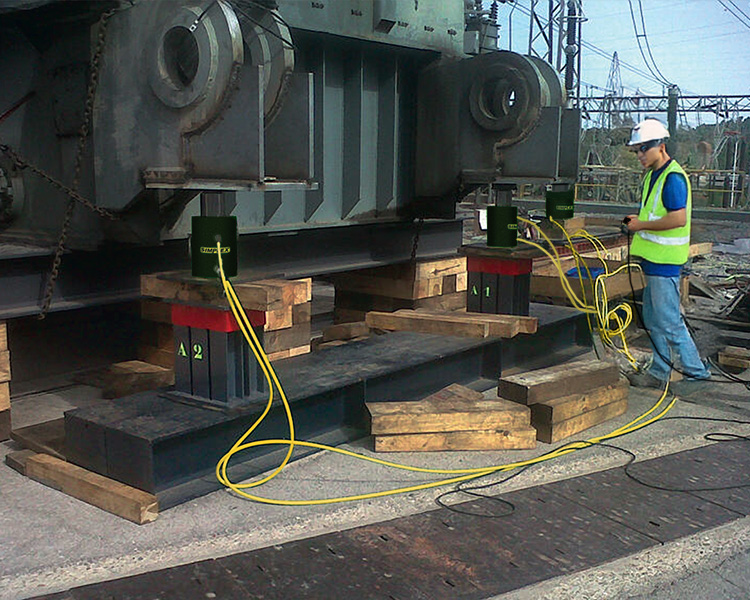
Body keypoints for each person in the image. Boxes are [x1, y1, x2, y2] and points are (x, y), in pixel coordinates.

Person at [623, 118, 711, 388]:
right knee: (654, 319)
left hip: (665, 263)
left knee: (669, 321)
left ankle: (696, 374)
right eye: (636, 150)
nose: (639, 155)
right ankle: (659, 372)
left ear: (660, 146)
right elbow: (654, 212)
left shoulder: (673, 177)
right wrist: (636, 222)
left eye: (643, 149)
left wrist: (641, 225)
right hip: (653, 261)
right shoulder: (652, 174)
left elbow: (678, 219)